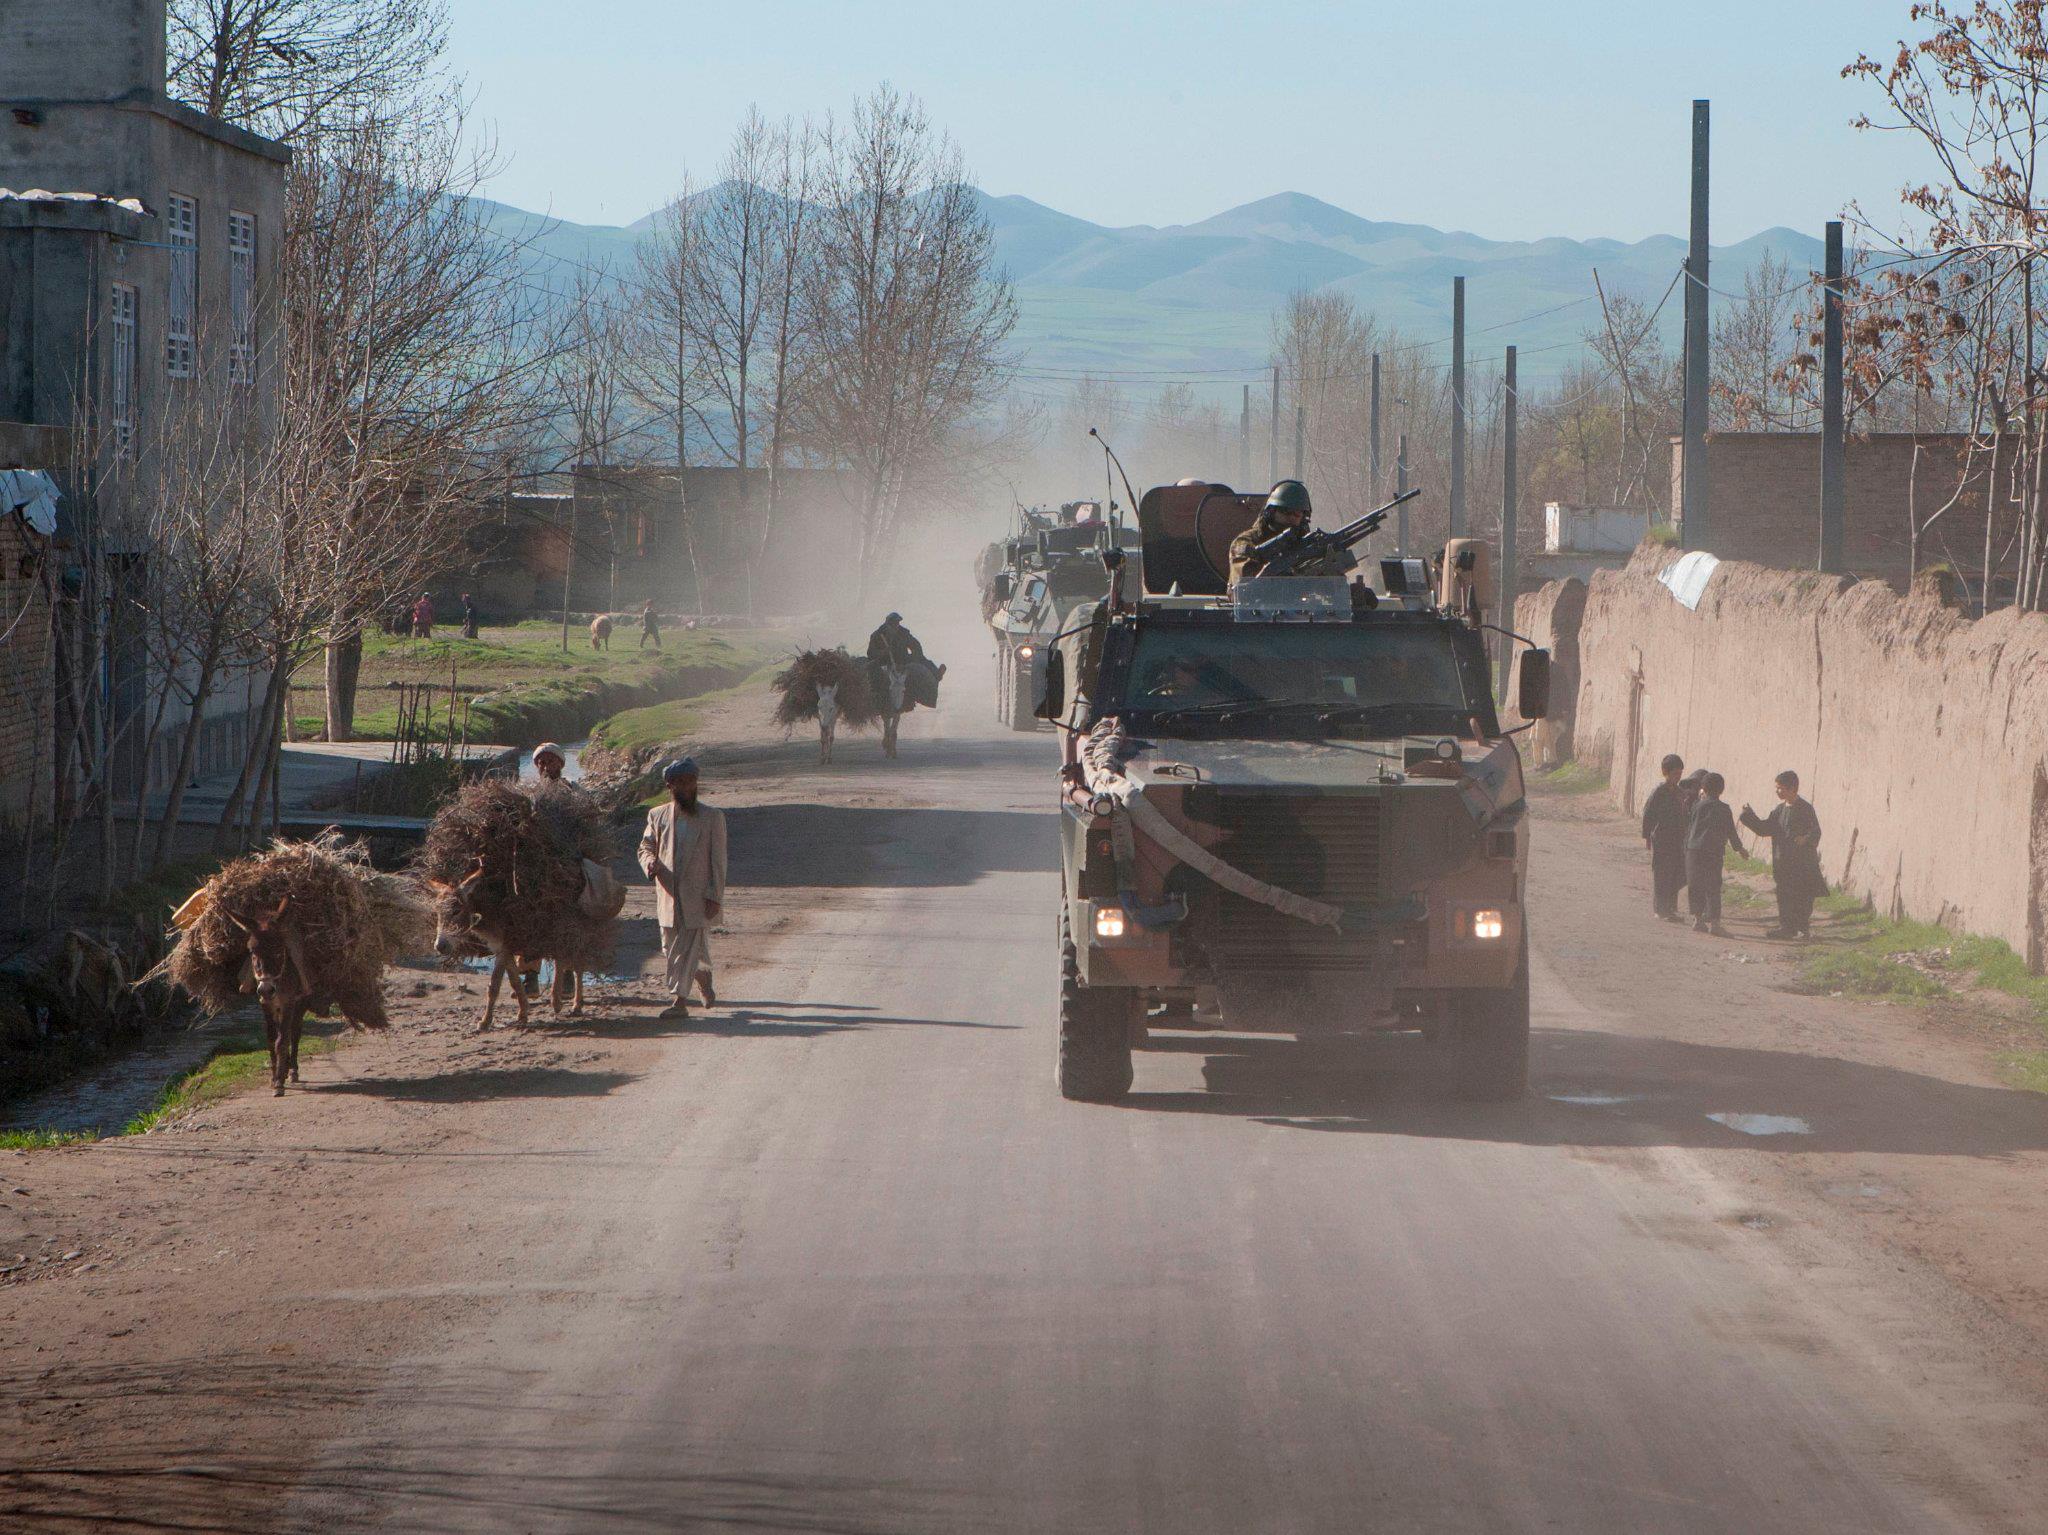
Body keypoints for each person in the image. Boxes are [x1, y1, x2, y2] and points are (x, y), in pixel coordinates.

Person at [637, 758, 725, 1020]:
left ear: (696, 783)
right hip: (667, 894)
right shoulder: (657, 815)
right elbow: (645, 847)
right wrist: (649, 862)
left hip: (698, 896)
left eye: (691, 782)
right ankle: (703, 977)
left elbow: (718, 862)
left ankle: (679, 1002)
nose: (687, 787)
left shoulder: (712, 817)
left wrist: (714, 895)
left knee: (685, 951)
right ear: (670, 785)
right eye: (681, 783)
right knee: (670, 948)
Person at [1741, 770, 1825, 939]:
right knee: (1784, 896)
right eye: (1777, 788)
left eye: (1781, 788)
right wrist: (1749, 816)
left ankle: (1802, 929)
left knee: (1802, 897)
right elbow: (1765, 829)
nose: (1778, 791)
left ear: (1793, 788)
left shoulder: (1805, 809)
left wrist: (1806, 838)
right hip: (1783, 863)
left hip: (1802, 864)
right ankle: (1786, 928)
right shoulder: (1779, 811)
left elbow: (1816, 831)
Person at [1685, 771, 1747, 936]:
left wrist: (1686, 848)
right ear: (1722, 790)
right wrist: (1739, 849)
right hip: (1713, 852)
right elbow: (1731, 832)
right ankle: (1714, 924)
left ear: (1703, 788)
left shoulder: (1697, 806)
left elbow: (1690, 828)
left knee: (1695, 885)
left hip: (1694, 850)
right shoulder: (1724, 809)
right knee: (1713, 887)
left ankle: (1698, 920)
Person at [1228, 480, 1315, 585]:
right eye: (1285, 511)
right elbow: (1247, 576)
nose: (1291, 517)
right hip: (1255, 600)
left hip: (1299, 601)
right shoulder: (1246, 542)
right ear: (1271, 512)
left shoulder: (1307, 545)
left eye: (1297, 514)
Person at [1640, 753, 1691, 921]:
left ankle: (1670, 908)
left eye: (1680, 774)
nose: (1678, 777)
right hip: (1662, 839)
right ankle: (1661, 910)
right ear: (1665, 772)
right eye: (1675, 774)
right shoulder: (1659, 792)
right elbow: (1649, 814)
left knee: (1677, 873)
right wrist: (1647, 835)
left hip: (1678, 839)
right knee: (1662, 874)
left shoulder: (1680, 793)